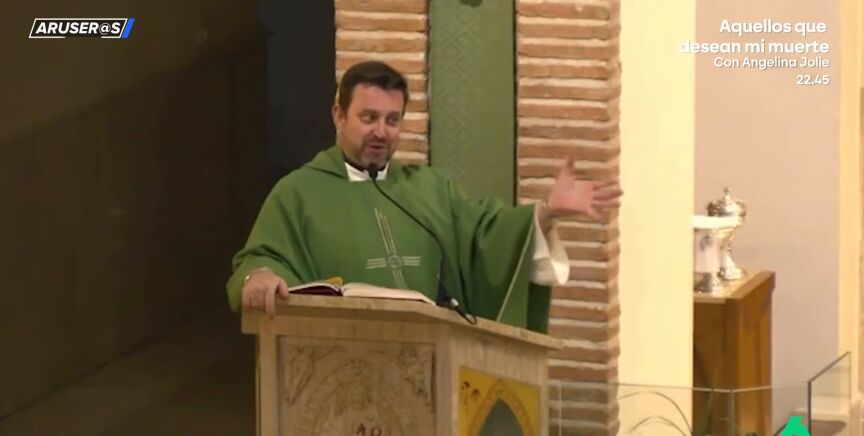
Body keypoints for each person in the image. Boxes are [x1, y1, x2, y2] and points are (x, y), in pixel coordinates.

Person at [226, 61, 621, 333]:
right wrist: (260, 276)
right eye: (369, 117)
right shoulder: (298, 192)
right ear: (339, 115)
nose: (381, 131)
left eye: (393, 120)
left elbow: (486, 235)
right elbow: (261, 258)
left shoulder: (431, 188)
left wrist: (547, 214)